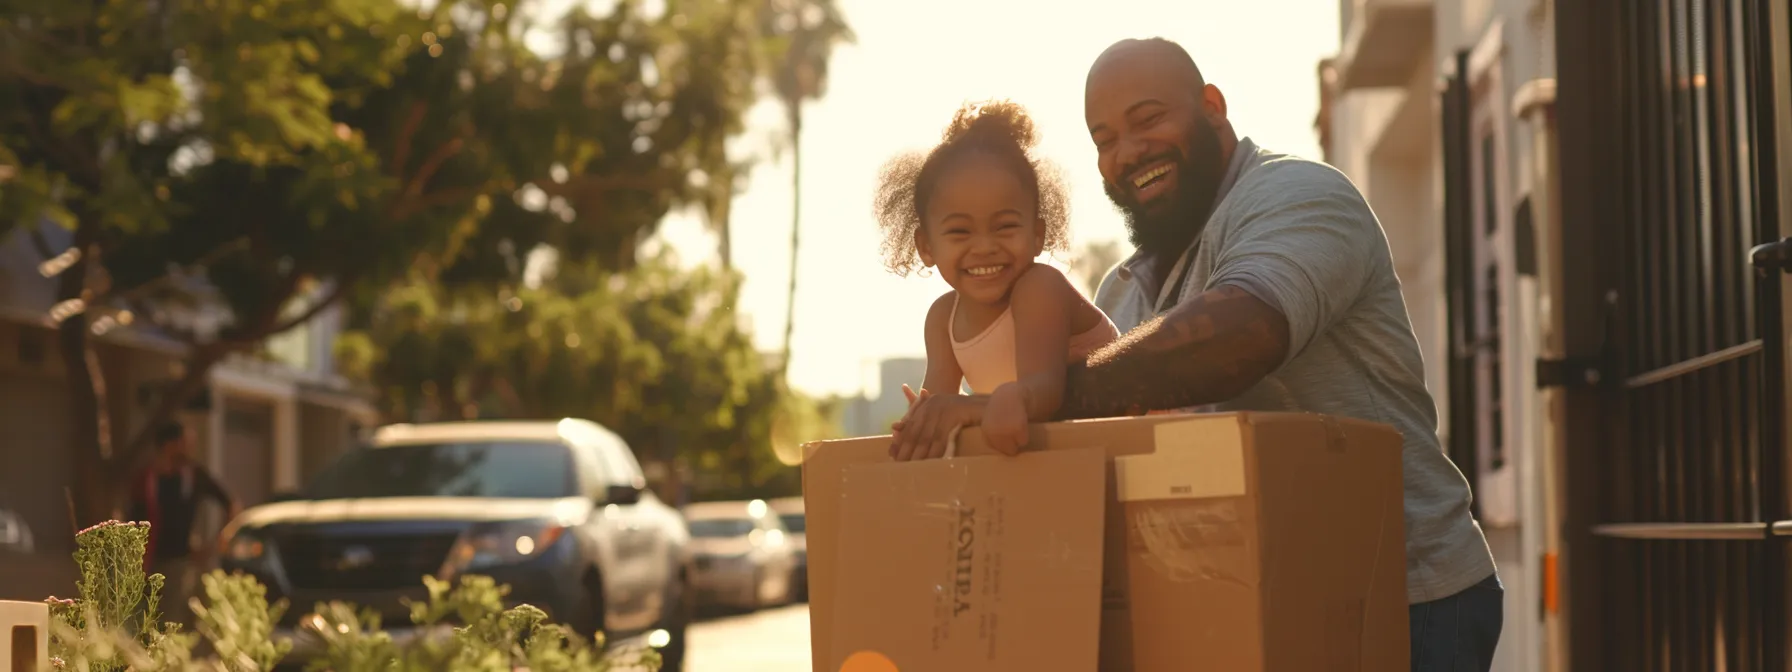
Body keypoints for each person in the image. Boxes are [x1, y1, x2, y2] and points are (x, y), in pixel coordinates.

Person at [889, 38, 1503, 670]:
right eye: (1104, 140)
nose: (1128, 152)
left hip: (1408, 595)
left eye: (1149, 120)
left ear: (1212, 106)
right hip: (1261, 600)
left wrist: (1031, 397)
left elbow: (1238, 338)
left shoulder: (1298, 195)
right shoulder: (1119, 294)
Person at [874, 99, 1121, 456]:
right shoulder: (943, 320)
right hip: (1063, 455)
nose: (985, 247)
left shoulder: (1040, 288)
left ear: (1037, 235)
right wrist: (922, 421)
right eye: (960, 232)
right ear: (926, 246)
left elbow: (1044, 391)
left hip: (1129, 442)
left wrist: (968, 408)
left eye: (1005, 226)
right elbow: (942, 409)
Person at [128, 420, 240, 627]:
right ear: (171, 445)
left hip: (179, 562)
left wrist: (215, 543)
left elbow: (231, 505)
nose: (191, 449)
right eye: (186, 443)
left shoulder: (194, 476)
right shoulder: (146, 479)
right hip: (145, 563)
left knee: (170, 622)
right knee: (140, 622)